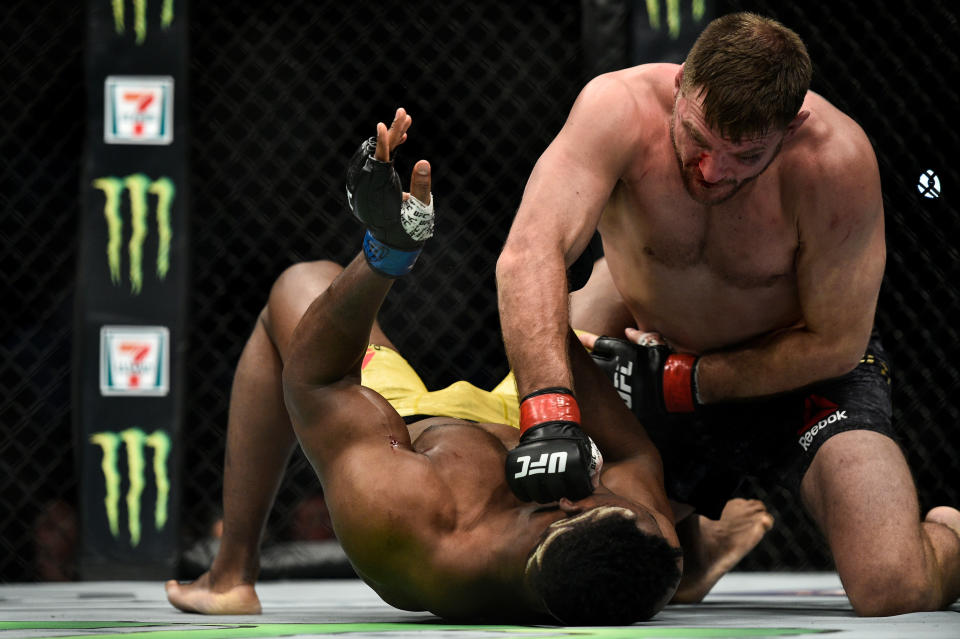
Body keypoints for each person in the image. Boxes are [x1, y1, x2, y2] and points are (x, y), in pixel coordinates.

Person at [495, 12, 960, 616]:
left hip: (804, 383)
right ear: (683, 82)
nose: (711, 169)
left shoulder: (836, 164)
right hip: (658, 363)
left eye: (745, 154)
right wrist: (549, 411)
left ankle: (951, 534)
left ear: (791, 127)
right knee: (587, 565)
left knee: (893, 587)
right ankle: (694, 540)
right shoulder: (618, 108)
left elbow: (837, 342)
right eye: (697, 135)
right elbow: (529, 252)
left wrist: (691, 381)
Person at [168, 109, 700, 624]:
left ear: (563, 508)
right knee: (619, 274)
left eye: (596, 494)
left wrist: (386, 254)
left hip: (410, 420)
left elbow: (315, 380)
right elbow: (632, 455)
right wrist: (544, 311)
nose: (600, 487)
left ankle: (230, 572)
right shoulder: (642, 542)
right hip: (533, 411)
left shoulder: (407, 519)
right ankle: (710, 540)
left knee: (296, 285)